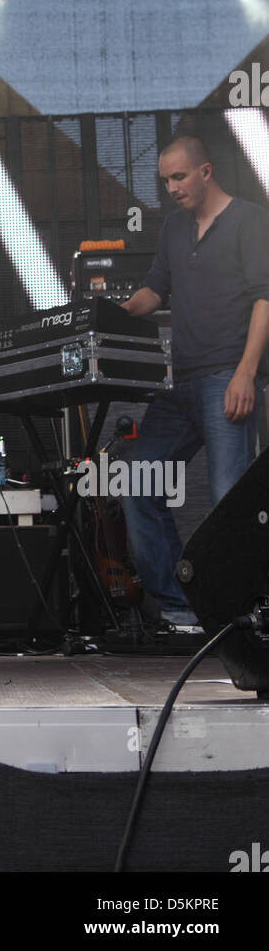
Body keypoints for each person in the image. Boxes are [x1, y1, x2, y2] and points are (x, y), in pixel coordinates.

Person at [120, 135, 269, 628]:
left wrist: (245, 374)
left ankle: (240, 616)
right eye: (165, 181)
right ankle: (182, 607)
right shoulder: (174, 229)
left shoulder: (250, 220)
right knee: (138, 480)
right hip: (179, 384)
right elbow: (152, 291)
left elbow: (265, 300)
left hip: (227, 374)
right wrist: (108, 315)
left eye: (179, 177)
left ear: (206, 171)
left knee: (232, 505)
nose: (172, 188)